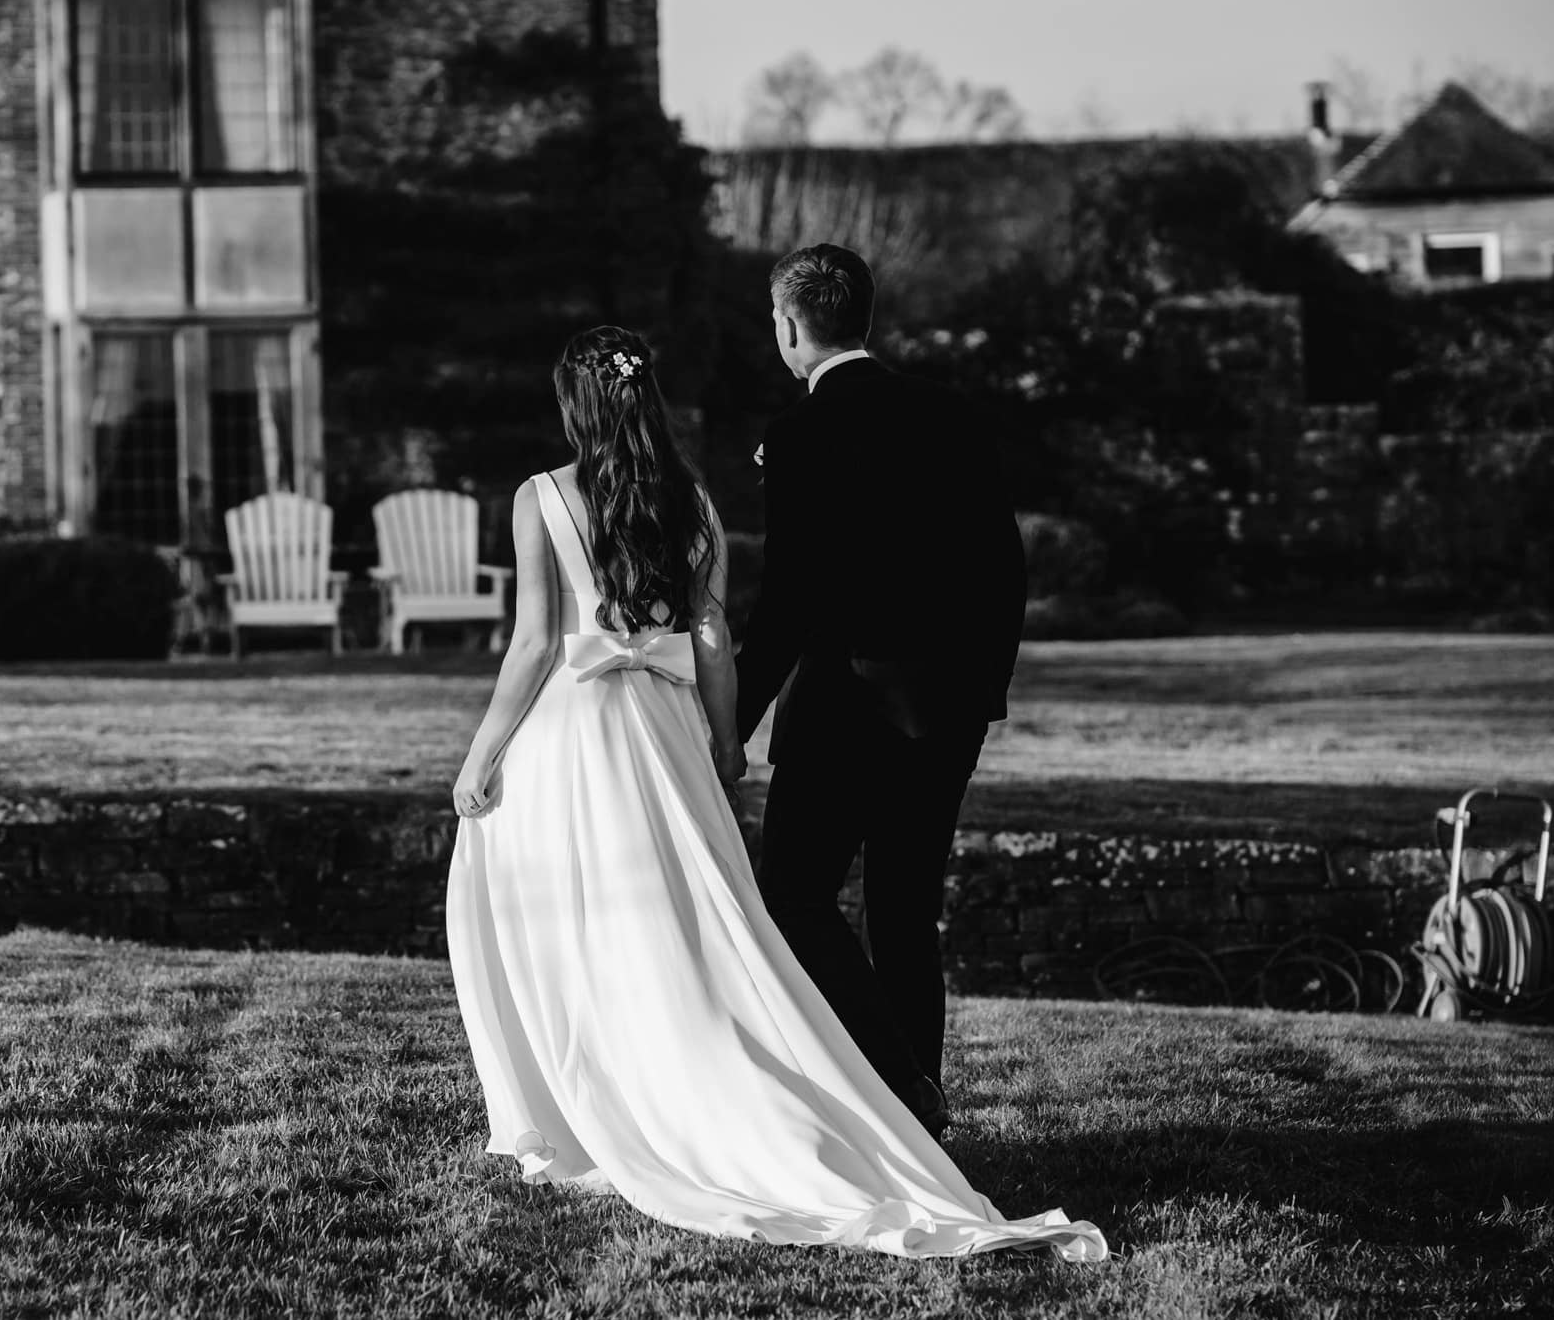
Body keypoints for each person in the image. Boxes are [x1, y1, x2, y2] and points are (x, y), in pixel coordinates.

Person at [444, 324, 1101, 1260]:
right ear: (648, 398)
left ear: (573, 405)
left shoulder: (542, 496)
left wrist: (481, 756)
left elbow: (534, 646)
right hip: (668, 733)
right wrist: (724, 738)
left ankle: (598, 1102)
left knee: (583, 910)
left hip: (575, 735)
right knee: (698, 918)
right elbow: (712, 634)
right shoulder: (695, 501)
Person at [734, 244, 1030, 1137]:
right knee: (905, 911)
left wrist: (731, 723)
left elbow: (788, 596)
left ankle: (903, 1086)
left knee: (793, 894)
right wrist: (981, 686)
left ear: (790, 325)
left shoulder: (796, 436)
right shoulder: (952, 414)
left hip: (842, 709)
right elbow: (1003, 566)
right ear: (864, 316)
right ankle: (921, 1115)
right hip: (949, 709)